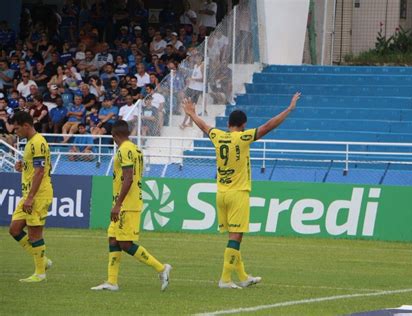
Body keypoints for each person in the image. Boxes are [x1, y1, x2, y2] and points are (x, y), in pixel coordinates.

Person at [181, 92, 301, 289]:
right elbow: (268, 126)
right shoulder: (244, 137)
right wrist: (289, 109)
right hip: (238, 193)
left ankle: (243, 276)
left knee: (235, 236)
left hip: (221, 193)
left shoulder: (218, 136)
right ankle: (225, 279)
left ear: (228, 123)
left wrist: (192, 113)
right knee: (236, 237)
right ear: (243, 124)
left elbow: (203, 126)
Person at [91, 120, 172, 291]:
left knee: (125, 243)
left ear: (114, 135)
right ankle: (112, 282)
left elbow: (128, 177)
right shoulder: (135, 148)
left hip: (127, 203)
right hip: (125, 202)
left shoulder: (125, 150)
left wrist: (118, 204)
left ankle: (161, 268)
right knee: (113, 239)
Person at [8, 111, 54, 283]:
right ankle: (43, 261)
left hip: (37, 195)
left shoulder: (38, 142)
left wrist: (30, 198)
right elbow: (34, 167)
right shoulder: (30, 143)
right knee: (14, 229)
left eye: (17, 128)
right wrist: (22, 166)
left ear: (26, 125)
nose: (15, 131)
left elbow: (41, 171)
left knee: (35, 233)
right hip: (29, 194)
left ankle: (40, 273)